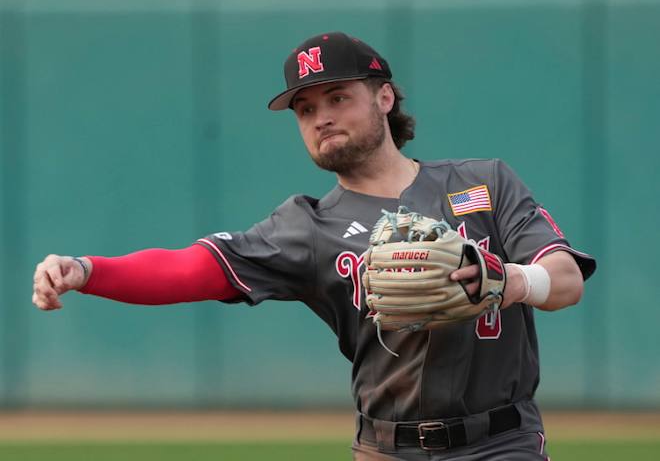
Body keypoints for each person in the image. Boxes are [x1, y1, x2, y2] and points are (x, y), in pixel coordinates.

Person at [32, 32, 596, 460]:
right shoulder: (306, 227)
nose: (320, 117)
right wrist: (86, 270)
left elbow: (565, 279)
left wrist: (508, 281)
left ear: (384, 97)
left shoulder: (483, 183)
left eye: (336, 97)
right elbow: (190, 270)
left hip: (503, 442)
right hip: (386, 447)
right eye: (305, 110)